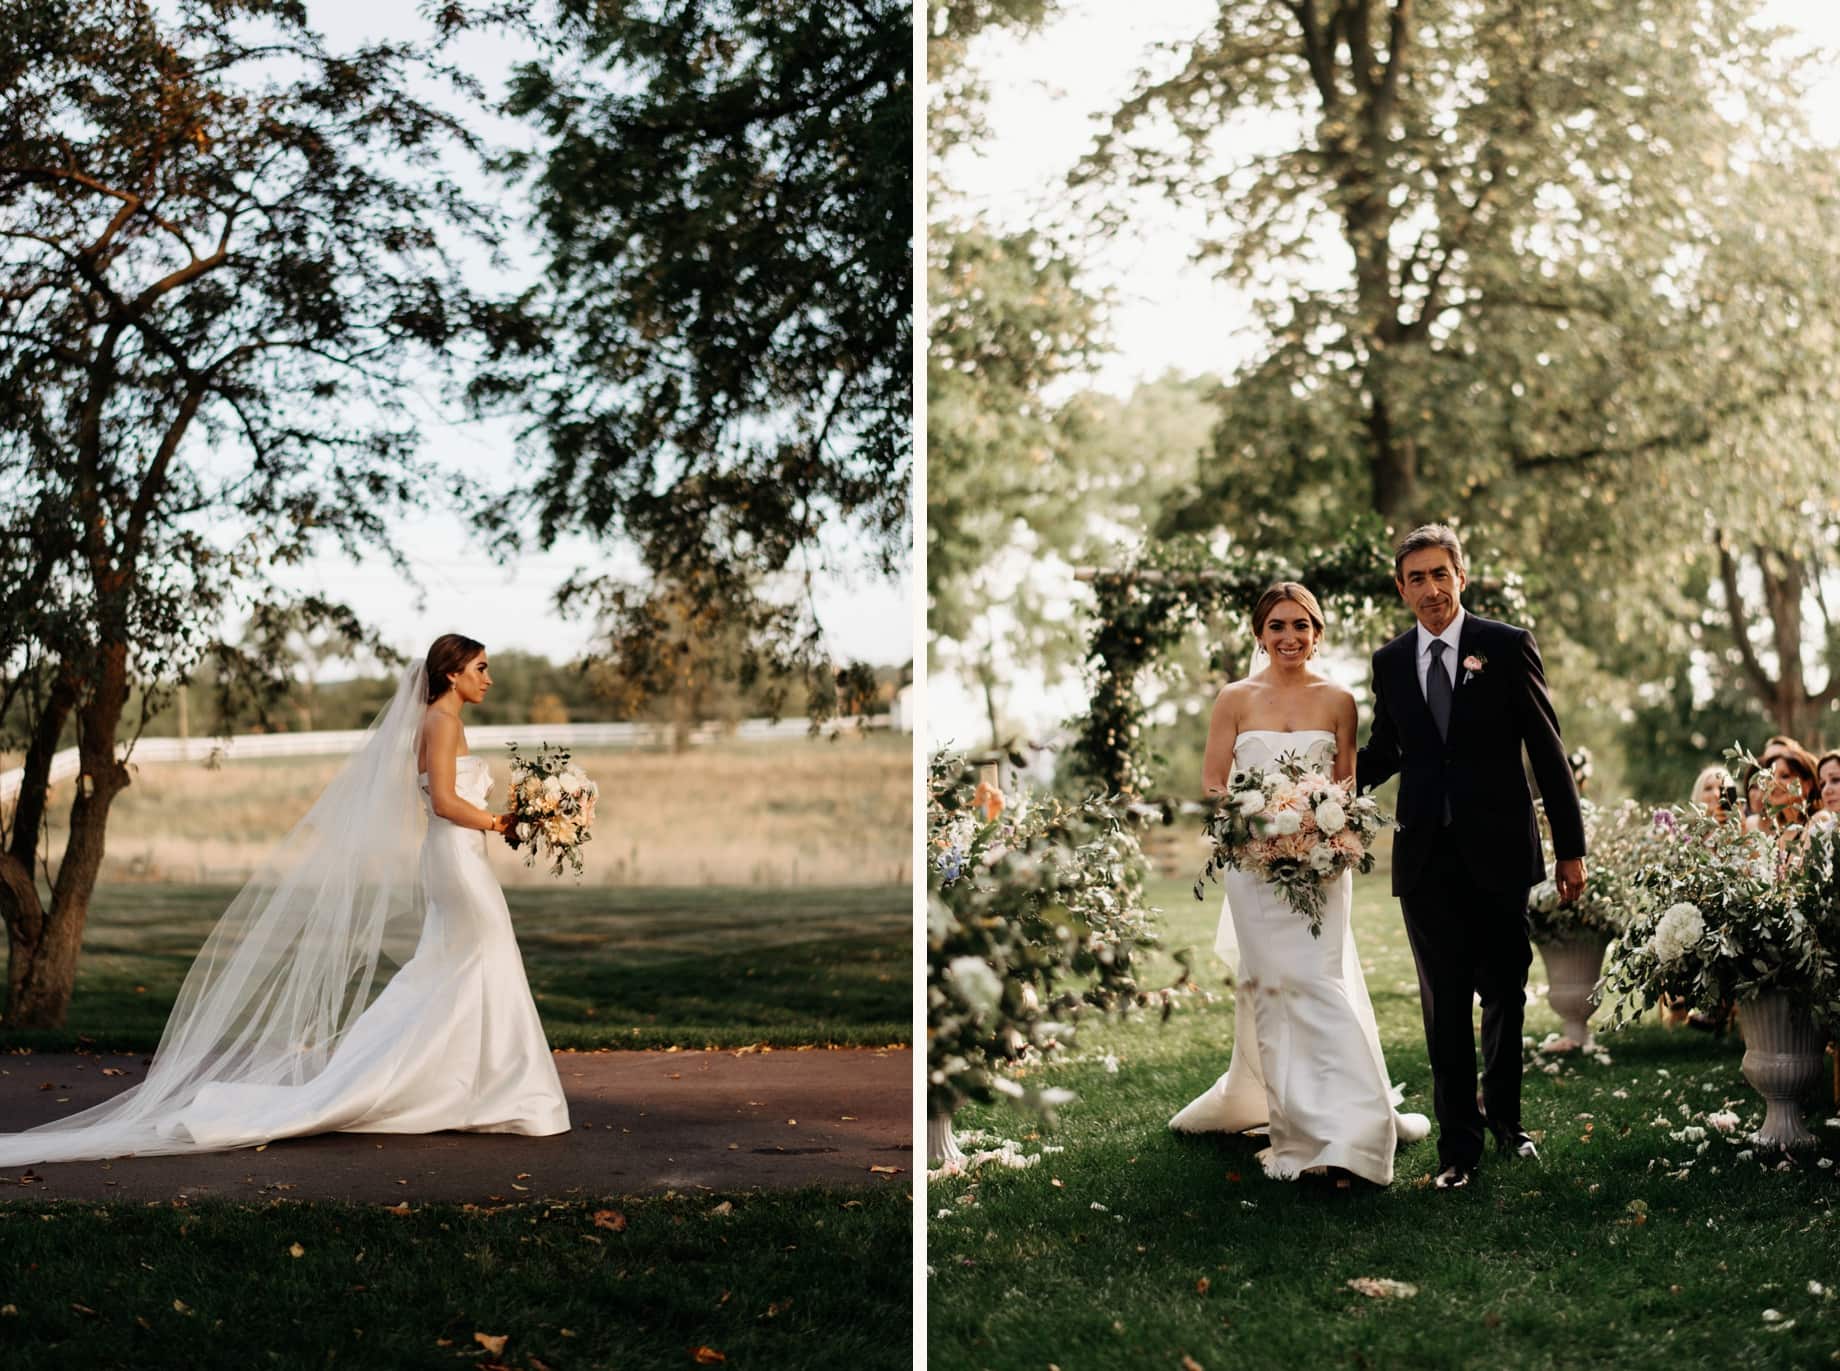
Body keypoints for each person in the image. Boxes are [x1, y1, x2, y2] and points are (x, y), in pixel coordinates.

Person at [0, 635, 570, 1168]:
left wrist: (515, 823)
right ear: (451, 673)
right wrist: (500, 820)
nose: (488, 678)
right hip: (457, 858)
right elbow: (445, 801)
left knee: (456, 969)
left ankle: (464, 1085)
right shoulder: (441, 722)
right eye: (480, 668)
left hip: (457, 857)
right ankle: (485, 1088)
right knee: (480, 959)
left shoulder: (440, 721)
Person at [1169, 582, 1429, 1188]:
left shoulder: (1339, 700)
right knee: (1275, 990)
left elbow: (1345, 788)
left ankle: (1357, 1132)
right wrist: (1257, 823)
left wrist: (1322, 834)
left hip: (1320, 865)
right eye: (1278, 626)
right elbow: (1213, 783)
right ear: (1260, 635)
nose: (1290, 638)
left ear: (1318, 633)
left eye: (1301, 626)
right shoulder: (1234, 699)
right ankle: (1300, 1129)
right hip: (1252, 869)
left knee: (1320, 982)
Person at [1355, 525, 1587, 1192]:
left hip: (1500, 852)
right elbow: (1386, 750)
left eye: (1440, 573)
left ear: (1462, 575)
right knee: (1444, 1005)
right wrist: (1320, 793)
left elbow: (1548, 750)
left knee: (1504, 996)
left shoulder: (1505, 647)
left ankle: (1508, 1125)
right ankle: (1458, 1148)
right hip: (1425, 856)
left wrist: (1570, 848)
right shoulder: (1391, 662)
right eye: (1417, 578)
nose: (1431, 588)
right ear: (1401, 589)